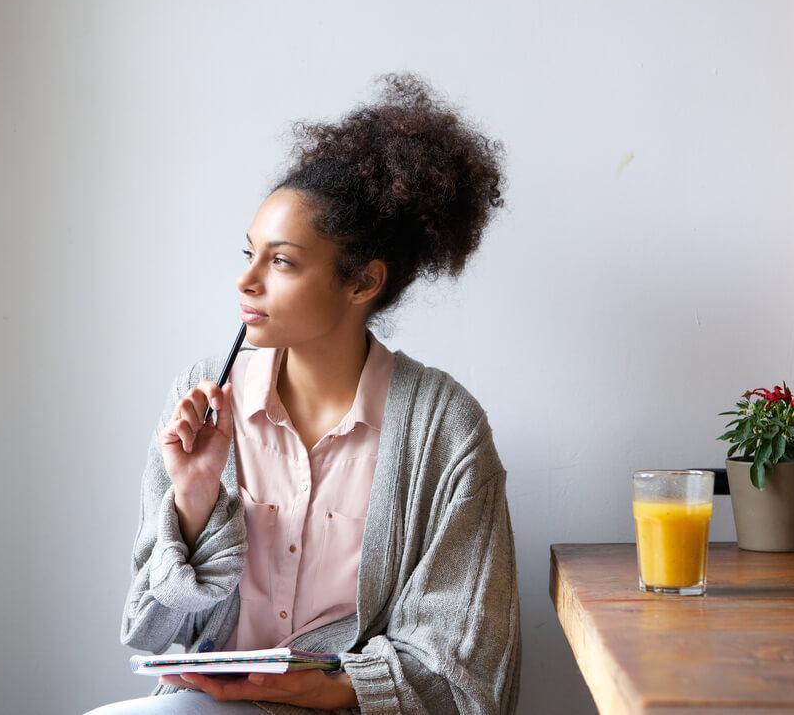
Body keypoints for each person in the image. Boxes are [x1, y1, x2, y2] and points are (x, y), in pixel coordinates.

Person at [85, 73, 521, 715]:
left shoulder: (445, 430)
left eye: (282, 262)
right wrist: (195, 497)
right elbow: (150, 630)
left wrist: (335, 688)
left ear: (363, 281)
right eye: (249, 253)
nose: (247, 280)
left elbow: (464, 665)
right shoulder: (204, 401)